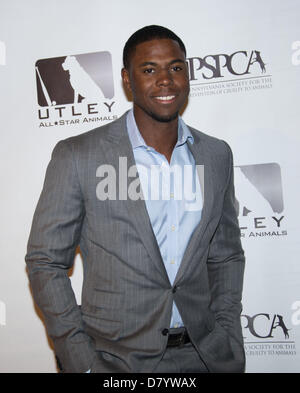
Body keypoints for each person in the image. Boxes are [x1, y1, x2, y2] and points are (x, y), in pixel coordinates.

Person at [25, 25, 245, 373]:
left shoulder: (216, 155)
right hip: (114, 361)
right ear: (128, 80)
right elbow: (45, 261)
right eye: (149, 69)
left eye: (175, 67)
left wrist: (229, 334)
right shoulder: (79, 155)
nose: (165, 80)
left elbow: (226, 254)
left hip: (203, 357)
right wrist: (80, 360)